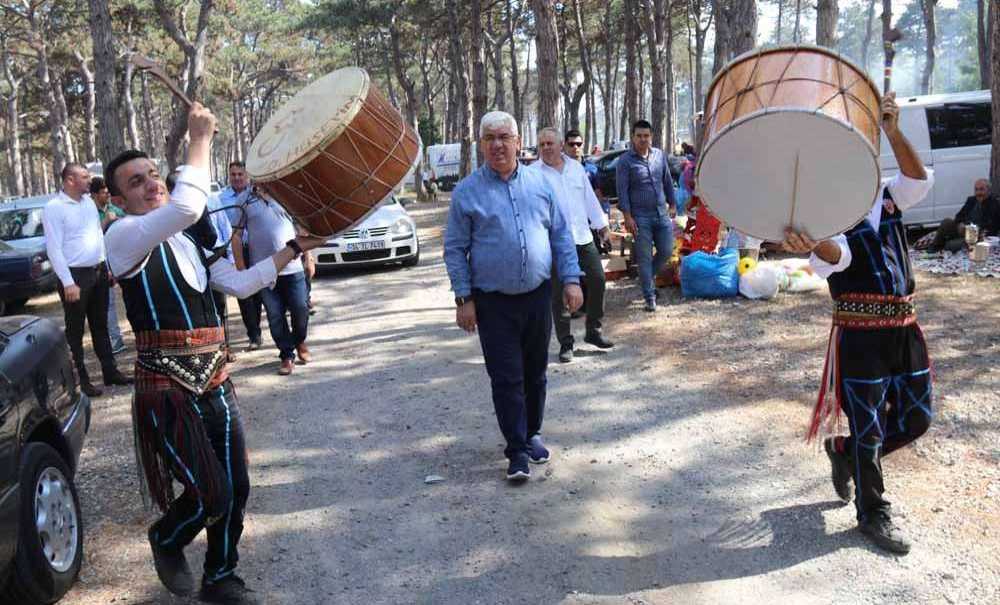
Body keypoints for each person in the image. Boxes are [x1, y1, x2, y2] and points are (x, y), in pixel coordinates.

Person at [103, 103, 326, 604]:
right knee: (211, 492)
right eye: (136, 182)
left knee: (236, 487)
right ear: (118, 200)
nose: (151, 184)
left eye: (153, 174)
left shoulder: (189, 238)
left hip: (214, 377)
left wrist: (294, 248)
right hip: (166, 386)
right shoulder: (122, 237)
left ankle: (221, 576)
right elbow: (187, 204)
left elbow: (242, 283)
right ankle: (166, 538)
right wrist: (199, 139)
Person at [782, 92, 934, 555]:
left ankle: (843, 452)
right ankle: (873, 511)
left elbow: (918, 179)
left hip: (905, 329)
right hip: (860, 337)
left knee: (917, 419)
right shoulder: (826, 212)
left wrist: (893, 130)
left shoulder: (887, 194)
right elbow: (838, 255)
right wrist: (814, 244)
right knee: (869, 428)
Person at [444, 111, 583, 483]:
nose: (497, 145)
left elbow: (561, 235)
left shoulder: (541, 183)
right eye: (490, 138)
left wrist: (571, 280)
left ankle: (532, 432)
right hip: (493, 303)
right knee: (506, 377)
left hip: (537, 296)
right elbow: (455, 249)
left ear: (519, 142)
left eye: (504, 137)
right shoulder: (467, 192)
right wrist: (463, 299)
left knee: (535, 373)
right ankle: (517, 449)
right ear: (481, 145)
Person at [43, 163, 131, 397]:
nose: (89, 180)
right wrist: (67, 282)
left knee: (100, 325)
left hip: (98, 271)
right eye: (84, 177)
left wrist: (106, 266)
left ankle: (110, 372)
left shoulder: (89, 204)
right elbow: (54, 248)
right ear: (70, 180)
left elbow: (97, 236)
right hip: (75, 276)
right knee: (75, 331)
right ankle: (80, 380)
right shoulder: (54, 208)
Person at [529, 127, 613, 363]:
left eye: (550, 143)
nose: (546, 148)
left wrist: (602, 227)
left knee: (597, 279)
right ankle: (566, 343)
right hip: (553, 243)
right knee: (559, 294)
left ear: (560, 145)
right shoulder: (532, 174)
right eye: (542, 144)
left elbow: (589, 200)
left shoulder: (576, 169)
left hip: (582, 237)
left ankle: (593, 330)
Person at [234, 187, 312, 375]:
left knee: (301, 308)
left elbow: (303, 228)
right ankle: (286, 355)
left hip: (293, 267)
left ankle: (299, 340)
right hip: (263, 271)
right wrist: (241, 267)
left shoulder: (284, 190)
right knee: (275, 315)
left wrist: (309, 257)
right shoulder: (244, 199)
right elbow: (236, 235)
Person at [615, 119, 677, 312]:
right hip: (639, 218)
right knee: (644, 257)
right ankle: (650, 297)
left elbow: (667, 181)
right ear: (633, 137)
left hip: (661, 213)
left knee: (667, 250)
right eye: (639, 136)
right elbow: (622, 191)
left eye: (646, 136)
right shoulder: (625, 161)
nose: (643, 139)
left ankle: (646, 278)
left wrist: (673, 203)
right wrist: (627, 217)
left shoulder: (659, 155)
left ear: (651, 137)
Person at [219, 162, 263, 351]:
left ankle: (258, 327)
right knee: (244, 292)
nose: (236, 177)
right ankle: (253, 334)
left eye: (240, 174)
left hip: (256, 249)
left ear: (247, 175)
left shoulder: (256, 195)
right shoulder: (221, 199)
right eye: (233, 174)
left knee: (259, 290)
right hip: (235, 251)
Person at [91, 176, 128, 354]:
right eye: (104, 193)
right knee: (109, 303)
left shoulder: (115, 209)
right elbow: (90, 236)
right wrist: (106, 220)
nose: (107, 195)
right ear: (94, 194)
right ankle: (115, 339)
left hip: (123, 259)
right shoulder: (90, 212)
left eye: (108, 192)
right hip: (103, 261)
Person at [927, 179, 998, 252]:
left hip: (977, 236)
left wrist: (968, 229)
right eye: (976, 189)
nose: (978, 192)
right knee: (946, 222)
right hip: (963, 231)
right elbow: (959, 216)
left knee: (950, 245)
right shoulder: (971, 200)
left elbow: (990, 226)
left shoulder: (994, 204)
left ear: (988, 191)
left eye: (981, 189)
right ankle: (935, 246)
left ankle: (948, 243)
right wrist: (960, 223)